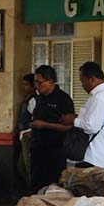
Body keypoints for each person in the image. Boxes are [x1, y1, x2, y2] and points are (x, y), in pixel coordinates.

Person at [22, 65, 75, 193]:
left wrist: (45, 125)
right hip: (37, 148)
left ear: (50, 81)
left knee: (53, 187)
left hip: (56, 151)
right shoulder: (39, 99)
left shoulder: (63, 99)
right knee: (35, 185)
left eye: (39, 83)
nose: (37, 86)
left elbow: (68, 126)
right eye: (35, 83)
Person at [62, 62, 104, 168]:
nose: (82, 85)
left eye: (83, 81)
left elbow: (92, 126)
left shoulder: (100, 98)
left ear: (91, 79)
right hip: (102, 155)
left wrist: (73, 120)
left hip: (94, 155)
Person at [15, 73, 35, 191]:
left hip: (28, 135)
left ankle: (31, 190)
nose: (24, 87)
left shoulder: (35, 100)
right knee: (21, 167)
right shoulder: (27, 99)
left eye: (26, 84)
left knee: (27, 167)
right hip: (23, 134)